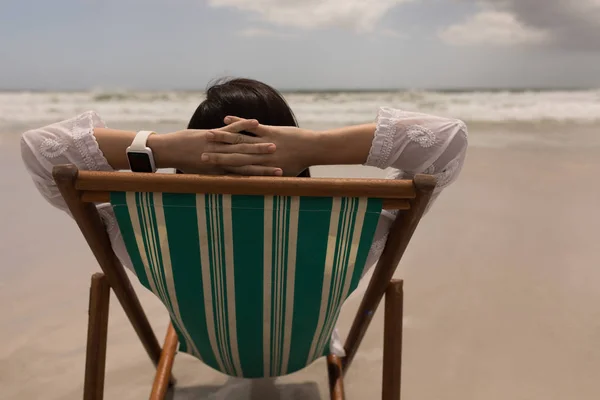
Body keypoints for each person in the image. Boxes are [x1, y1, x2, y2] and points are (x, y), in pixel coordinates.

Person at [20, 77, 468, 356]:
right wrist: (315, 146)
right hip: (303, 351)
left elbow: (42, 149)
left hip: (207, 349)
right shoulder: (356, 229)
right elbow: (446, 141)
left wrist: (163, 148)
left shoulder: (137, 227)